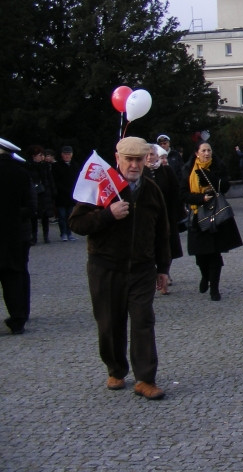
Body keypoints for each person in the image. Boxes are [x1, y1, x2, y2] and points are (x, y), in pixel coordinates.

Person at [68, 137, 171, 399]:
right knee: (109, 322)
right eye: (129, 159)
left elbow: (162, 232)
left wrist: (163, 268)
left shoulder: (151, 190)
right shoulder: (102, 186)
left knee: (143, 321)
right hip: (106, 267)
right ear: (118, 158)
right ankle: (115, 368)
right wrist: (107, 215)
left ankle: (145, 378)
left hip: (142, 268)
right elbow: (76, 223)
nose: (134, 165)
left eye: (140, 159)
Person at [181, 141, 243, 301]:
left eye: (209, 150)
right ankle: (205, 276)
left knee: (215, 253)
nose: (207, 153)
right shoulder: (188, 169)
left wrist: (211, 178)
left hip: (215, 215)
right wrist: (200, 198)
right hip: (197, 214)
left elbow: (225, 186)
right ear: (197, 153)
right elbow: (183, 193)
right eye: (203, 150)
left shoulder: (217, 166)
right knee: (200, 255)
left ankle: (214, 288)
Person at [0, 137, 33, 335]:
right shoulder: (21, 173)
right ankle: (18, 318)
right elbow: (30, 205)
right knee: (13, 276)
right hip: (14, 234)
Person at [144, 144, 184, 285]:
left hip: (166, 215)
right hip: (147, 217)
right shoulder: (141, 172)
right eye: (147, 154)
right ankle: (153, 273)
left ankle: (165, 272)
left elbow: (175, 192)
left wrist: (177, 213)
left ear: (157, 155)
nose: (150, 157)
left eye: (152, 154)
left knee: (167, 245)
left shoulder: (166, 170)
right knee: (149, 245)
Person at [26, 145, 56, 245]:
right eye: (39, 155)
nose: (41, 157)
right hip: (35, 193)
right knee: (34, 217)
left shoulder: (45, 166)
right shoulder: (29, 166)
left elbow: (50, 179)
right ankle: (34, 237)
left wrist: (52, 191)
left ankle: (46, 236)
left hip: (45, 193)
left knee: (45, 217)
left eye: (42, 155)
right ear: (33, 156)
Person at [51, 145, 79, 241]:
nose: (67, 156)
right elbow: (55, 181)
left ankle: (69, 232)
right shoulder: (56, 166)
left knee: (70, 215)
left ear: (72, 155)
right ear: (62, 155)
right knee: (62, 216)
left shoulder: (75, 165)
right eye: (65, 154)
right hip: (61, 195)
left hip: (71, 194)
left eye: (69, 154)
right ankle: (63, 233)